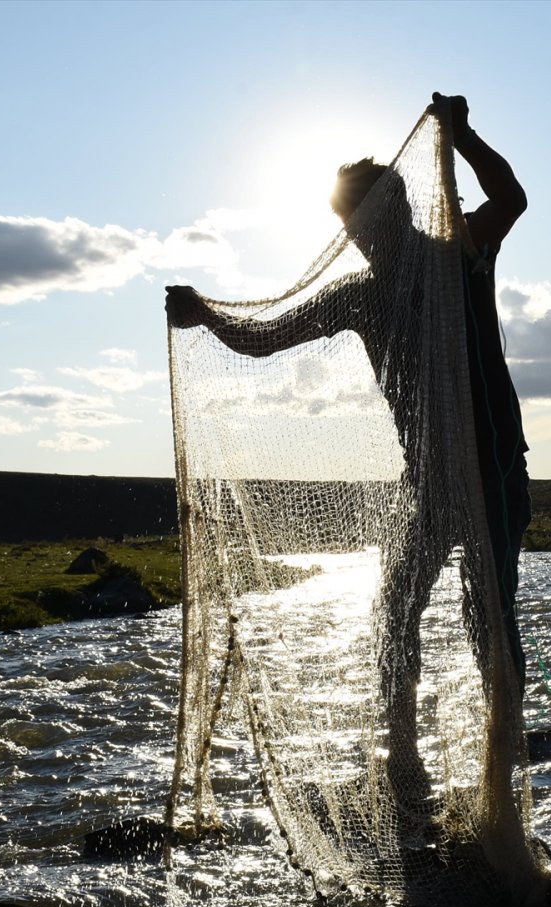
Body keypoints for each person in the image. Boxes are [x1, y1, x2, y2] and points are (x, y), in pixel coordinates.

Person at [166, 94, 531, 807]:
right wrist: (206, 316)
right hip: (429, 481)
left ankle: (504, 768)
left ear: (400, 210)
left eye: (366, 222)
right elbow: (267, 337)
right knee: (395, 611)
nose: (361, 238)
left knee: (488, 614)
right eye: (349, 227)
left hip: (492, 469)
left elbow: (511, 196)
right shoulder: (360, 297)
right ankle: (404, 762)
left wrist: (463, 135)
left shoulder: (463, 255)